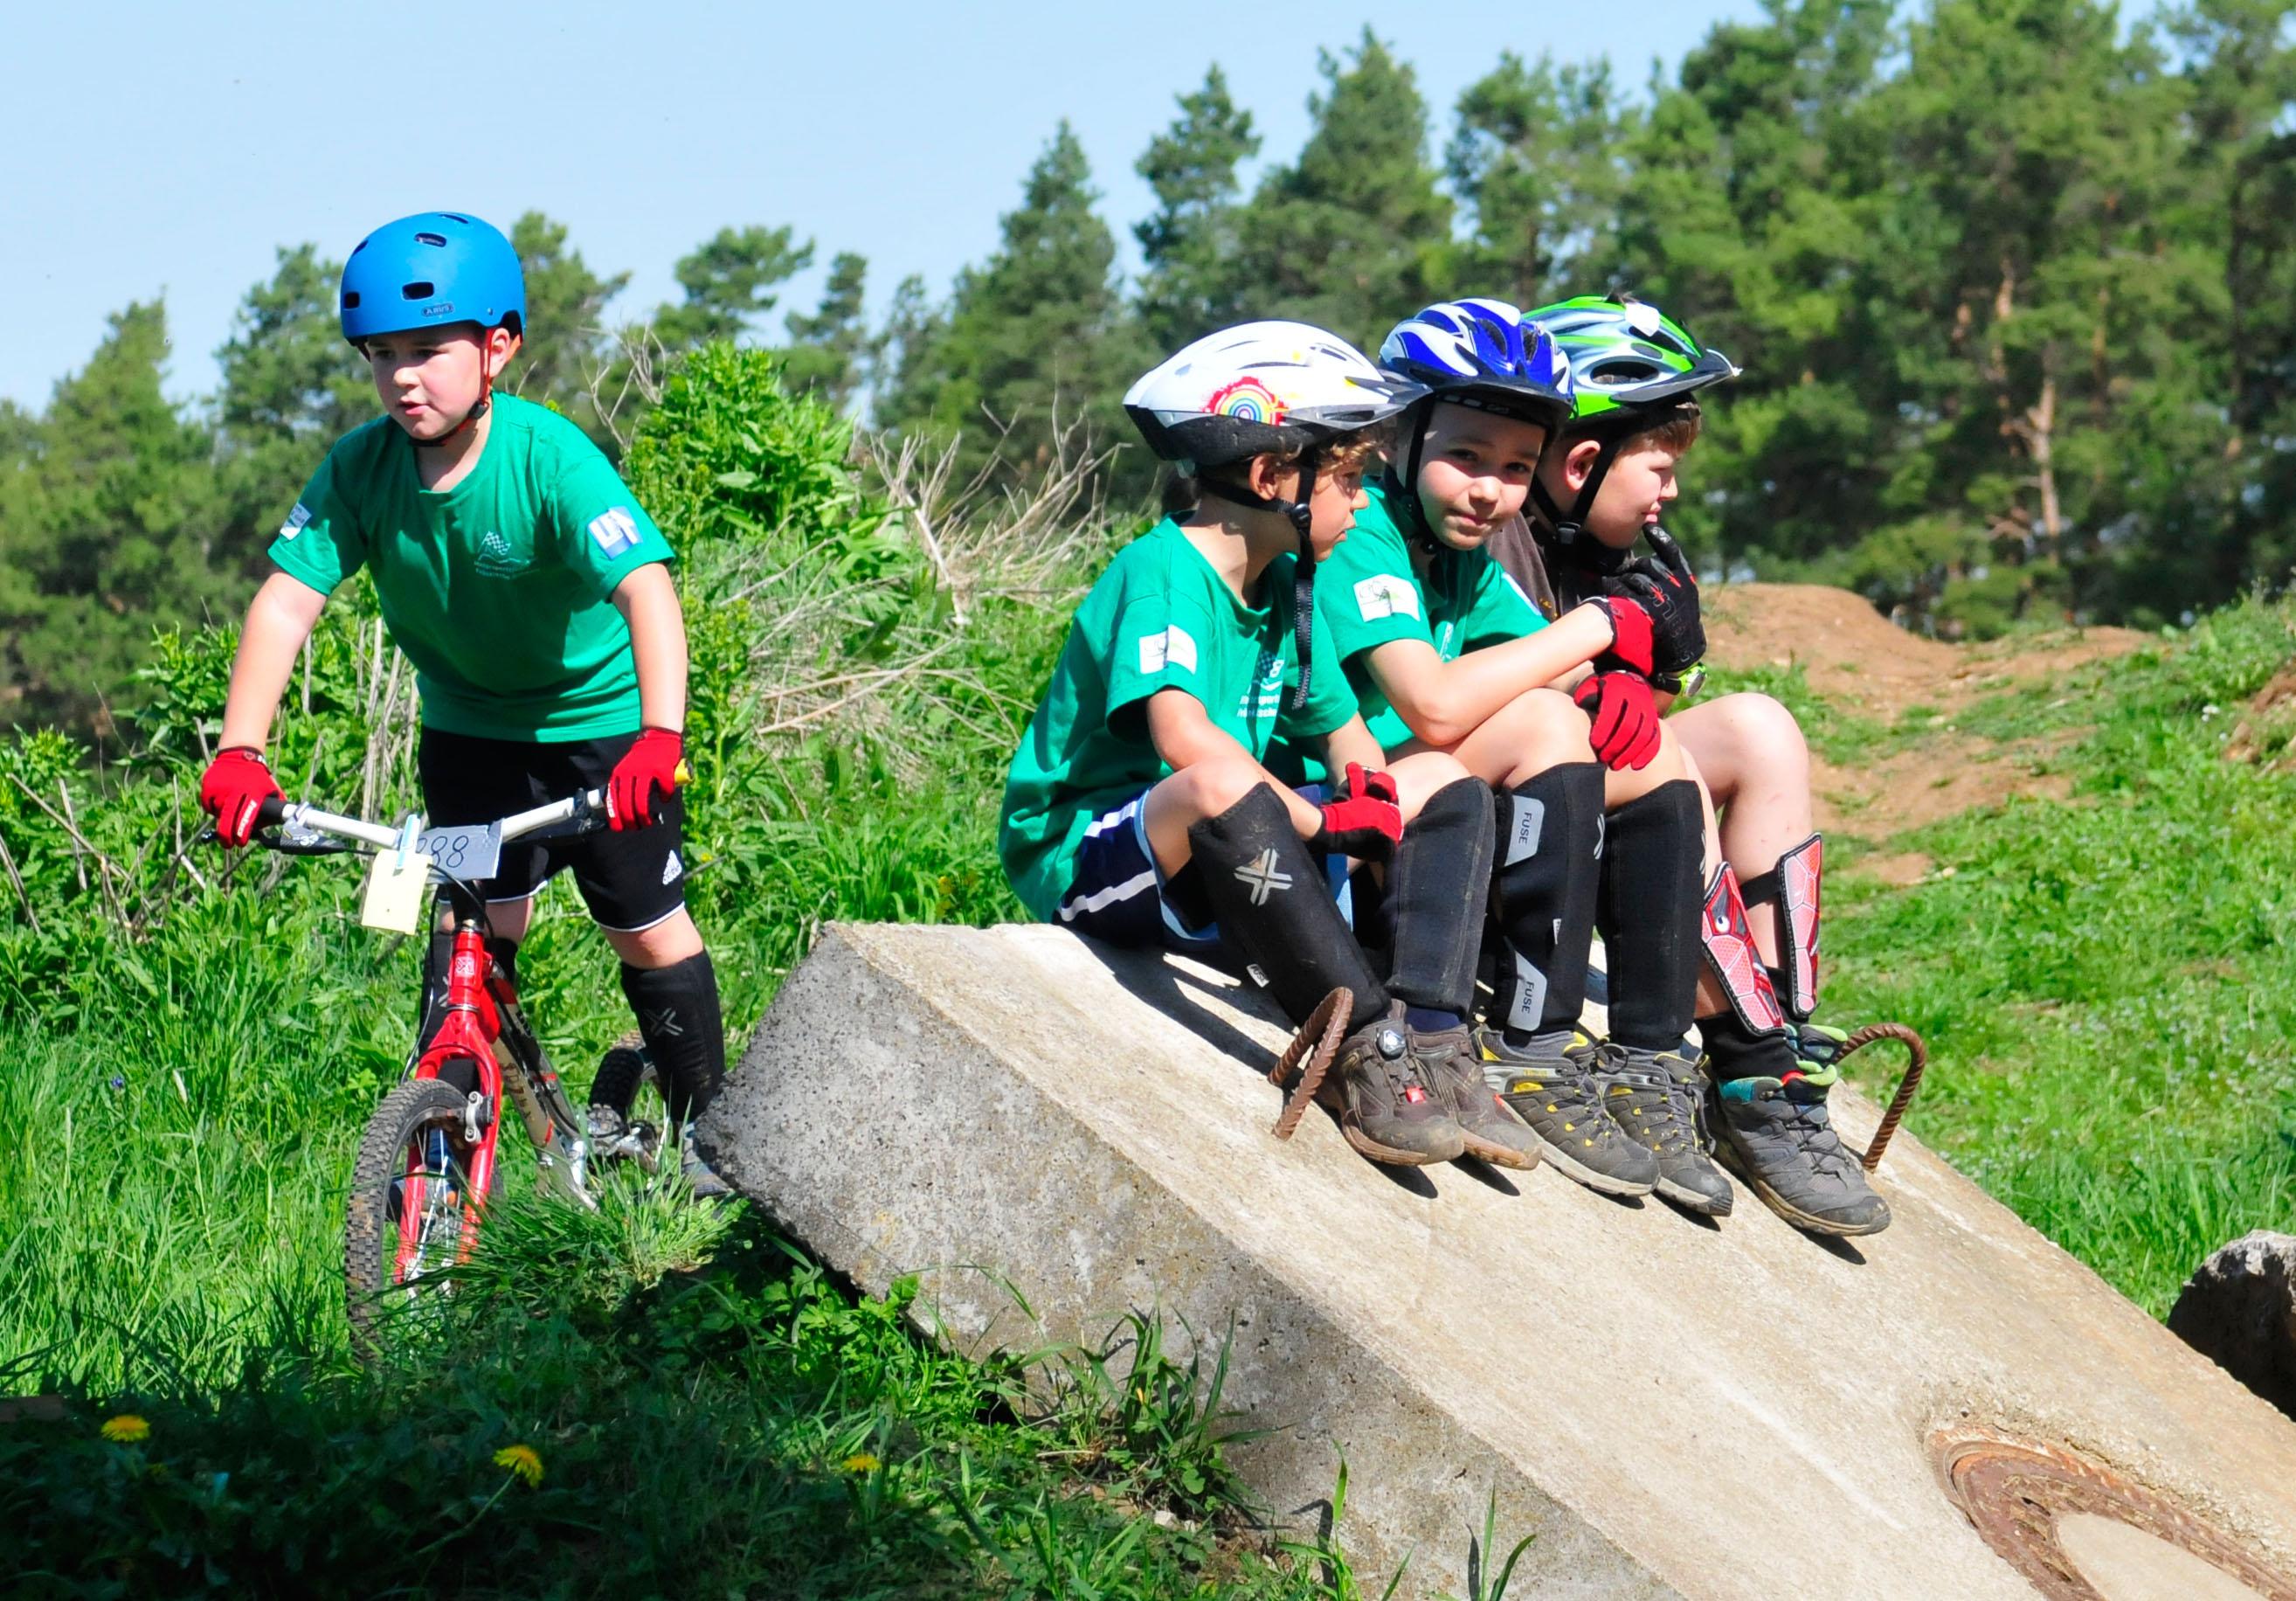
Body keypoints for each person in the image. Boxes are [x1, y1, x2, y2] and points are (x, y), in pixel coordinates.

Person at [196, 211, 730, 1197]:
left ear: (498, 346)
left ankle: (713, 1148)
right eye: (382, 354)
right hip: (471, 742)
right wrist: (240, 748)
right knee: (468, 953)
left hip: (602, 737)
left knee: (649, 931)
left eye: (431, 350)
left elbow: (646, 586)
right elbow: (284, 602)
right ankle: (445, 1159)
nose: (404, 376)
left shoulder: (549, 458)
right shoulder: (360, 469)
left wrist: (660, 736)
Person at [999, 321, 1553, 1171]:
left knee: (1437, 777)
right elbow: (1183, 738)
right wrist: (1317, 821)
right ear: (1270, 476)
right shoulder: (1167, 571)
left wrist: (1366, 788)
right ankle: (1363, 1050)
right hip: (1092, 855)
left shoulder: (1285, 585)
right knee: (1221, 775)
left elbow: (1340, 727)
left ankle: (1435, 1036)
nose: (1366, 503)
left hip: (1232, 851)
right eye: (1349, 480)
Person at [1269, 298, 1729, 1212]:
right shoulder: (1367, 531)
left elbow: (1558, 667)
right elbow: (1434, 706)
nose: (1490, 489)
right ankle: (1532, 1048)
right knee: (1549, 729)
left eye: (1518, 468)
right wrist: (1604, 626)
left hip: (1414, 798)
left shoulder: (1466, 559)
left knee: (1652, 753)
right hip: (1327, 811)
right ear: (1402, 440)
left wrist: (1614, 681)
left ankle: (1648, 1059)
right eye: (1467, 456)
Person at [1497, 292, 1888, 1237]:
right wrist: (1616, 673)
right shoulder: (1498, 532)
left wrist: (1653, 665)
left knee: (1758, 726)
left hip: (1600, 808)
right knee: (1662, 753)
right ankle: (1749, 1059)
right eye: (1659, 468)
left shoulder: (1619, 545)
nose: (1671, 492)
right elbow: (1535, 708)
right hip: (1504, 827)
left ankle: (1782, 1044)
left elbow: (1642, 706)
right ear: (1581, 458)